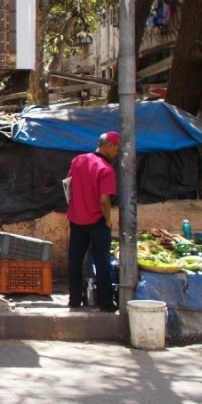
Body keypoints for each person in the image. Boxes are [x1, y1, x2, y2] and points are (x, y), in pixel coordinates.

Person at [65, 131, 120, 312]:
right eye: (117, 148)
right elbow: (104, 200)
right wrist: (108, 220)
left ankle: (74, 299)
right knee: (101, 261)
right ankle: (106, 302)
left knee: (75, 260)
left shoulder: (78, 160)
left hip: (76, 219)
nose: (117, 153)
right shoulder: (106, 169)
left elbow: (68, 186)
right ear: (109, 145)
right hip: (97, 221)